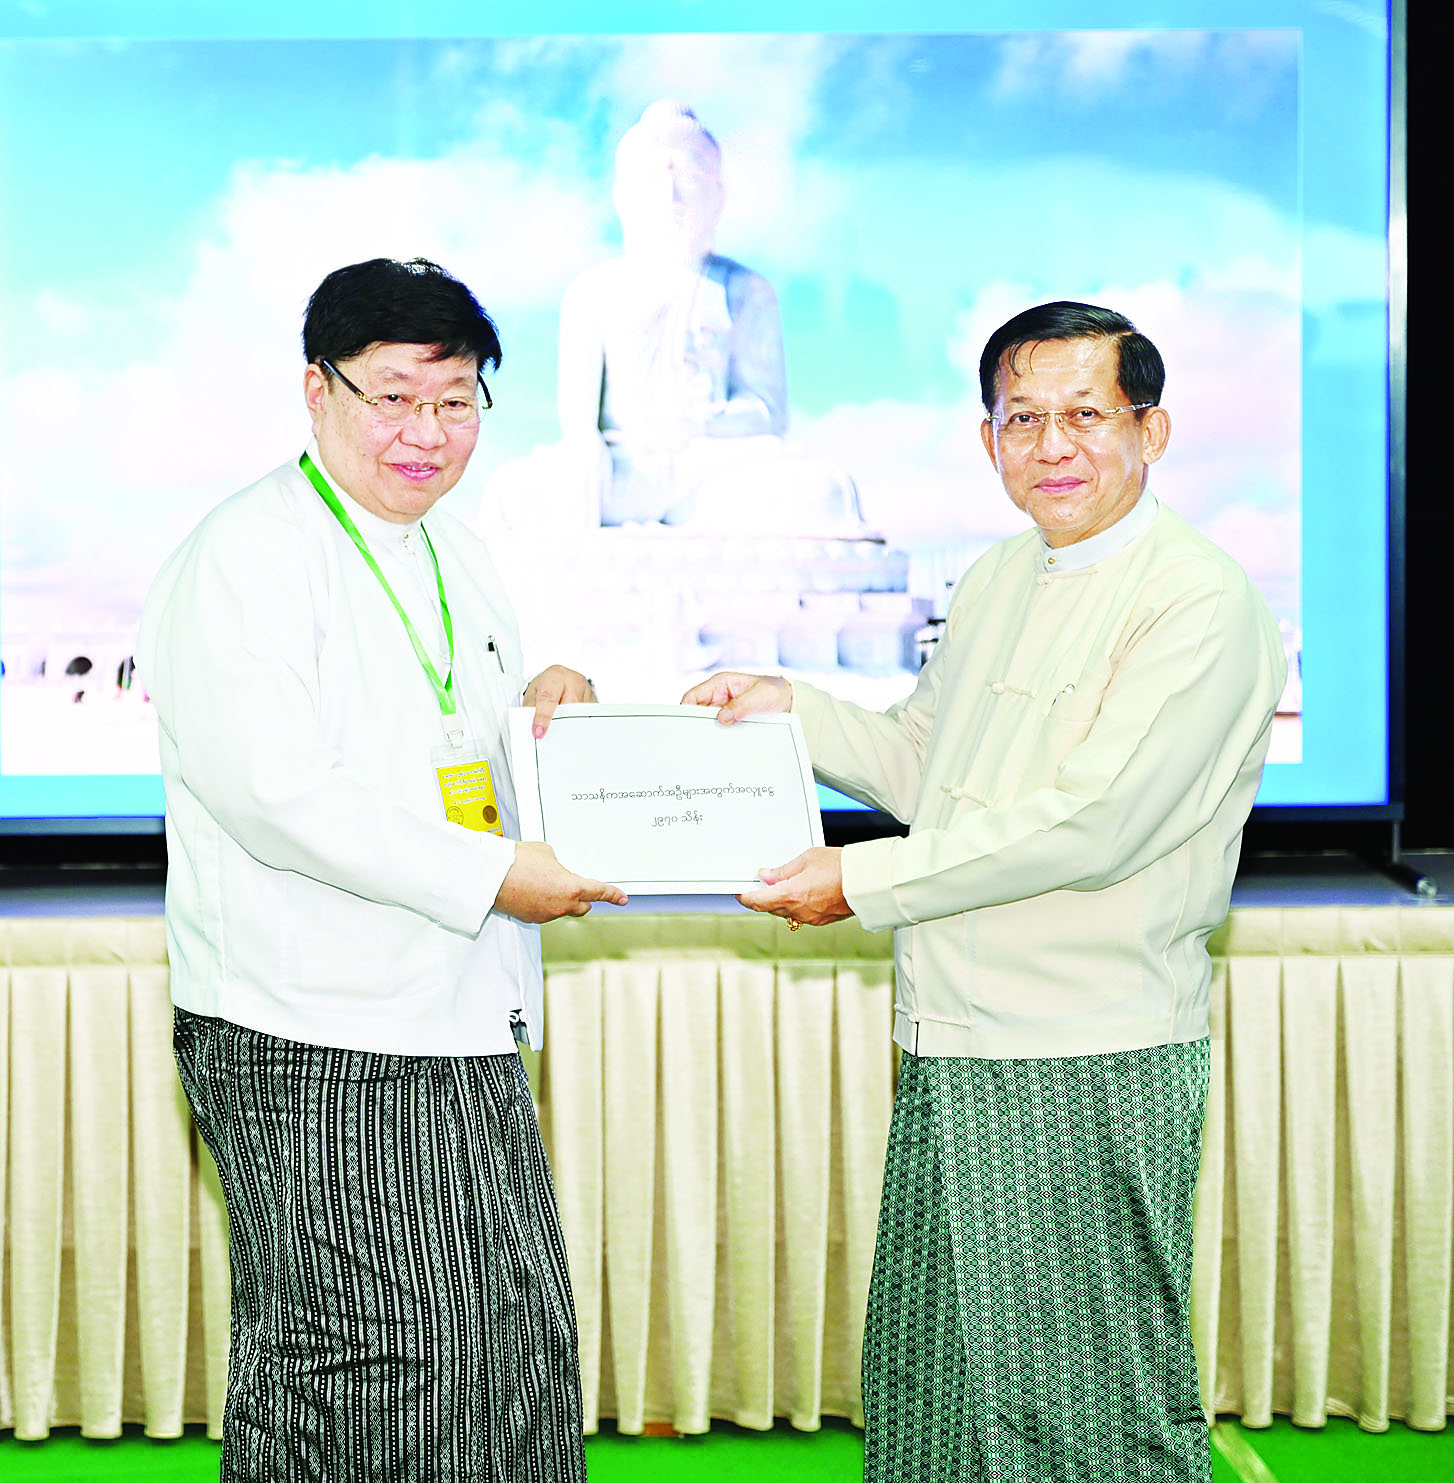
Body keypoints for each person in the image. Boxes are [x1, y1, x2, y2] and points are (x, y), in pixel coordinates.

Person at [684, 301, 1285, 1482]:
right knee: (935, 1385)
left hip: (1084, 1048)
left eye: (1085, 415)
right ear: (987, 439)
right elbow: (930, 764)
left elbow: (1094, 822)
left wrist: (860, 879)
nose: (1052, 445)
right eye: (1022, 418)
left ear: (1151, 430)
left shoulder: (1197, 601)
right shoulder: (999, 573)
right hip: (948, 1034)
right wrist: (792, 711)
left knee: (1089, 1399)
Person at [138, 257, 626, 1482]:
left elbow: (441, 741)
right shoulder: (246, 552)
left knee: (508, 1348)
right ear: (319, 391)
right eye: (394, 398)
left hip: (459, 1009)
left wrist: (544, 708)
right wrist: (495, 875)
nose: (426, 432)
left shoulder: (456, 550)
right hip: (312, 1026)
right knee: (371, 1366)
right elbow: (276, 794)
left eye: (455, 401)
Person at [488, 100, 859, 533]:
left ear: (718, 196)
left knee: (822, 493)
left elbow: (769, 412)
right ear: (622, 197)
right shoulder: (592, 291)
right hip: (622, 472)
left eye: (689, 178)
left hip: (715, 468)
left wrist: (700, 424)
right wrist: (586, 455)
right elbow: (579, 422)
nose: (671, 196)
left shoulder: (746, 290)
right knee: (513, 492)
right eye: (653, 180)